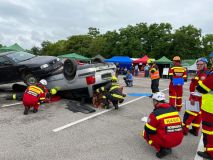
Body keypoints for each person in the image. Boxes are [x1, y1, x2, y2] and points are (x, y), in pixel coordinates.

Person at [141, 92, 183, 158]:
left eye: (153, 101)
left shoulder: (155, 114)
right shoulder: (173, 109)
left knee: (145, 133)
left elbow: (149, 130)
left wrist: (149, 122)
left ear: (155, 102)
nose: (152, 103)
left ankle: (162, 149)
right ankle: (167, 146)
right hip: (179, 140)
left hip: (167, 141)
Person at [182, 57, 209, 136]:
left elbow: (200, 89)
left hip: (197, 97)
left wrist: (194, 98)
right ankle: (195, 130)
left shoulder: (203, 74)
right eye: (198, 64)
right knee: (198, 114)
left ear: (205, 64)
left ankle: (184, 130)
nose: (199, 66)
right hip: (199, 98)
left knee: (189, 113)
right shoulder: (200, 72)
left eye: (201, 64)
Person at [196, 52, 213, 159]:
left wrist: (200, 84)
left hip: (210, 108)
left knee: (208, 131)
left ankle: (210, 152)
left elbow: (201, 88)